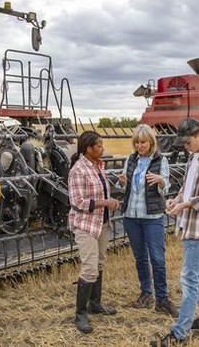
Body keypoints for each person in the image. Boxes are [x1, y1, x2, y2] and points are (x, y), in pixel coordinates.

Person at [151, 118, 199, 346]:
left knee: (189, 279)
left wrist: (184, 205)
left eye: (188, 142)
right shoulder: (193, 157)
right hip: (190, 223)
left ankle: (180, 333)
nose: (185, 146)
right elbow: (188, 188)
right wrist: (175, 200)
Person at [118, 124, 179, 317]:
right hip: (131, 216)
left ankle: (162, 299)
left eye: (143, 142)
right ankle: (146, 293)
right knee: (140, 258)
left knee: (158, 258)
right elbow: (125, 189)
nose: (139, 146)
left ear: (151, 142)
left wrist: (161, 182)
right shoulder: (130, 160)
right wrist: (121, 183)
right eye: (136, 142)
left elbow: (165, 189)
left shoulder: (161, 161)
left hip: (152, 217)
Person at [68, 131, 120, 334]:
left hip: (102, 222)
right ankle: (80, 314)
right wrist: (105, 202)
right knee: (89, 267)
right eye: (99, 146)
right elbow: (77, 202)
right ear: (88, 149)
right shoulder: (77, 170)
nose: (102, 148)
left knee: (99, 263)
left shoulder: (99, 165)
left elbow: (101, 191)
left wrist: (114, 190)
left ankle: (95, 304)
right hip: (85, 225)